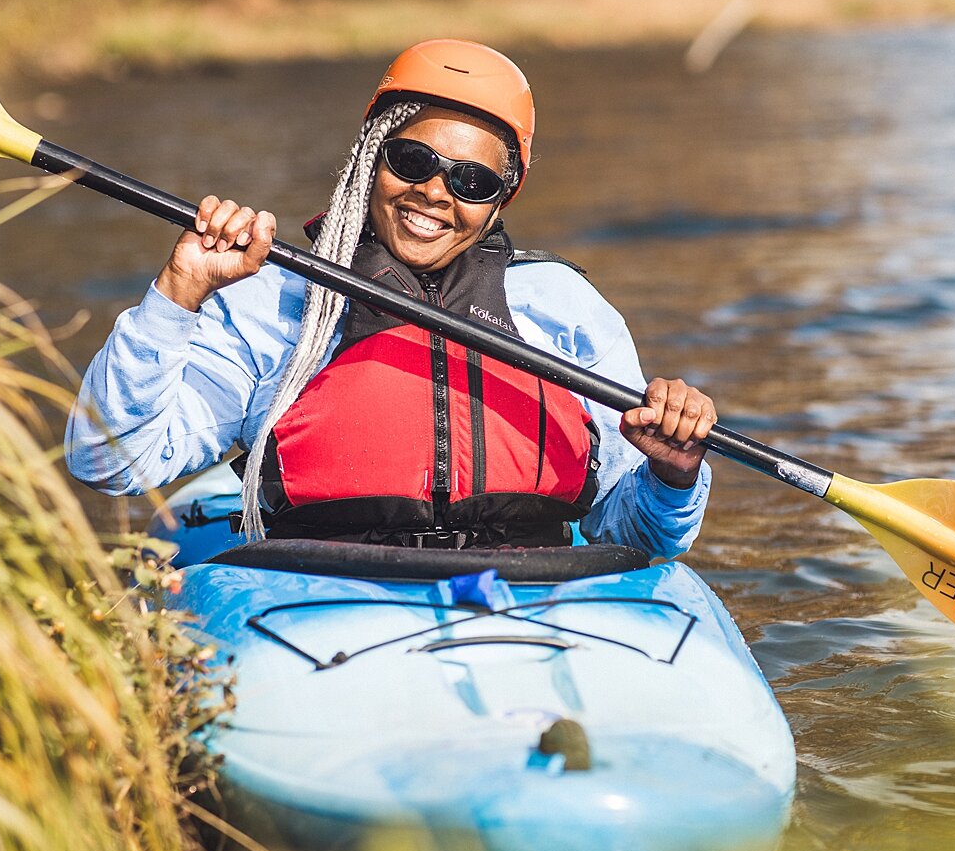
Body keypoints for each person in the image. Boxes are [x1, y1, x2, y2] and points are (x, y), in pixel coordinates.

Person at [66, 40, 718, 554]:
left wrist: (673, 475)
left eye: (472, 180)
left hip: (534, 588)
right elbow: (109, 460)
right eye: (412, 161)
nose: (435, 192)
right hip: (318, 593)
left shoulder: (563, 304)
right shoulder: (274, 301)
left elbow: (639, 537)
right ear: (369, 157)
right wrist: (179, 294)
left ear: (501, 199)